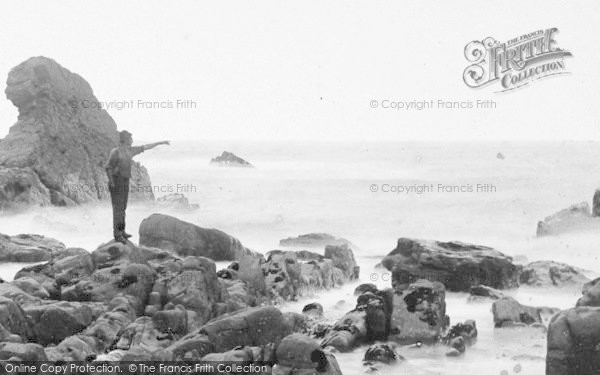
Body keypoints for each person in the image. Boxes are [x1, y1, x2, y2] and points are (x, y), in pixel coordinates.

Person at [105, 130, 169, 243]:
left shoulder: (130, 150)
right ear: (125, 139)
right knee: (117, 209)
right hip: (116, 182)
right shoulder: (115, 152)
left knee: (123, 208)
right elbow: (108, 167)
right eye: (131, 138)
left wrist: (160, 142)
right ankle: (117, 234)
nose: (132, 140)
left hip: (125, 181)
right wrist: (111, 182)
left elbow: (146, 146)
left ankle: (122, 231)